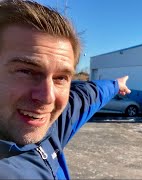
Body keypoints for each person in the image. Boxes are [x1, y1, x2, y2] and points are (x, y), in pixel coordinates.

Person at [0, 0, 131, 179]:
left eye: (60, 77)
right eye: (26, 71)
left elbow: (89, 95)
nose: (47, 98)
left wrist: (116, 85)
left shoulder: (53, 127)